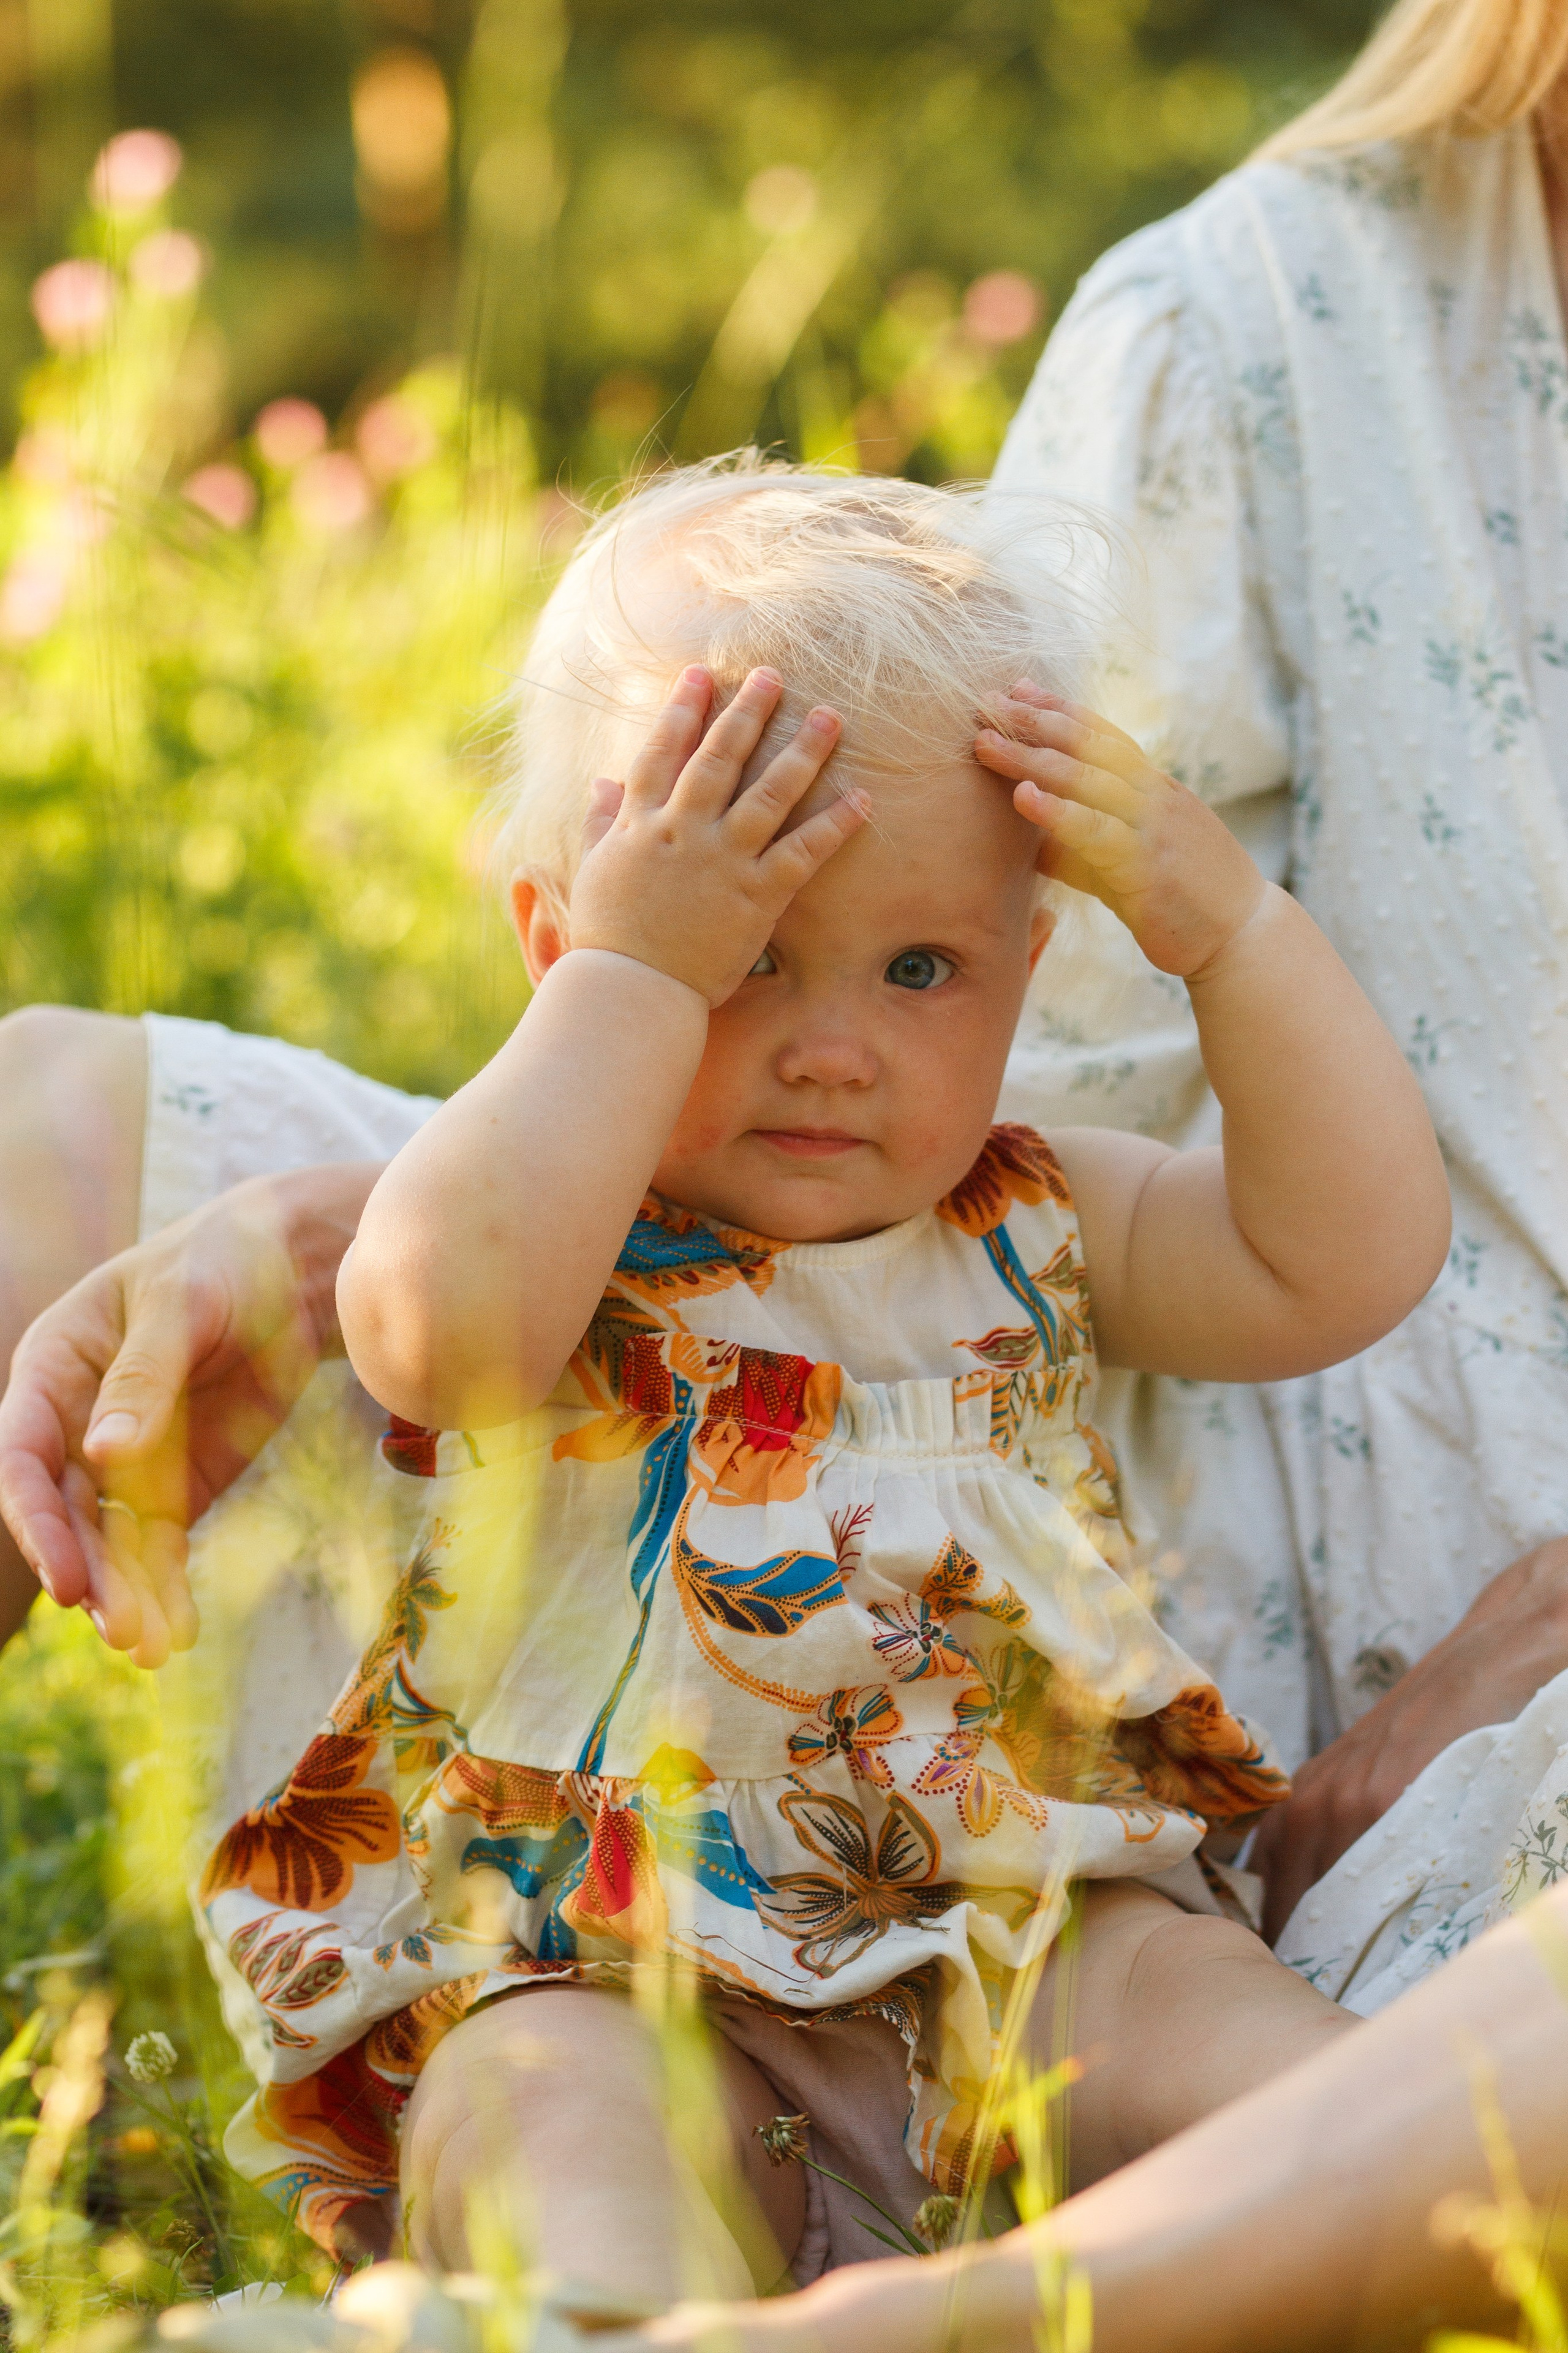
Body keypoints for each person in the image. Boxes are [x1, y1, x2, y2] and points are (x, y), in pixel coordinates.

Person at [176, 461, 1446, 2312]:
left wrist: (1230, 927)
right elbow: (430, 1337)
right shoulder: (556, 1223)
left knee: (1257, 2044)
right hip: (601, 1954)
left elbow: (1348, 1258)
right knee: (542, 2118)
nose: (834, 1048)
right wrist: (632, 980)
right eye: (745, 958)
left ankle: (1368, 2206)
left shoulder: (1043, 1212)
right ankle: (616, 2317)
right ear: (560, 943)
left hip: (1037, 1922)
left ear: (1027, 958)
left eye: (920, 966)